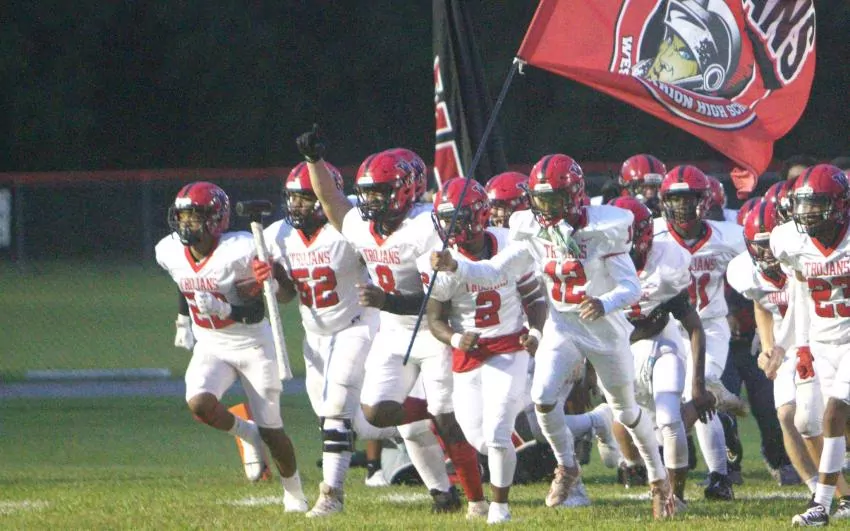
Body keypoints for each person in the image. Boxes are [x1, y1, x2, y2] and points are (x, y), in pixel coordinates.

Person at [431, 154, 676, 519]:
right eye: (540, 200)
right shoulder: (532, 228)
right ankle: (567, 466)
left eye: (554, 199)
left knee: (626, 411)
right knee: (543, 398)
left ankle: (659, 480)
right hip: (563, 325)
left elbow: (631, 287)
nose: (545, 208)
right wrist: (457, 266)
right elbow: (495, 271)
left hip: (604, 331)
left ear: (574, 196)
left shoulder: (602, 229)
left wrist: (604, 302)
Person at [295, 126, 486, 517]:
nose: (371, 200)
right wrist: (314, 161)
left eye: (381, 192)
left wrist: (389, 300)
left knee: (440, 421)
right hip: (394, 334)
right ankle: (443, 471)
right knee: (378, 413)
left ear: (406, 189)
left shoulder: (427, 227)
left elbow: (442, 299)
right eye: (367, 192)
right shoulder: (363, 227)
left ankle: (478, 503)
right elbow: (331, 200)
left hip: (435, 332)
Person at [252, 162, 400, 516]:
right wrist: (272, 279)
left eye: (305, 198)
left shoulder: (348, 226)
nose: (297, 206)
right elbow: (287, 294)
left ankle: (331, 494)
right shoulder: (277, 235)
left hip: (358, 324)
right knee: (344, 420)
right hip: (316, 335)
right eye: (293, 198)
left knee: (335, 410)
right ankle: (414, 427)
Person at [154, 181, 308, 512]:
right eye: (182, 216)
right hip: (211, 344)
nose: (186, 224)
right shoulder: (168, 250)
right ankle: (246, 433)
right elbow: (184, 280)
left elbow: (273, 302)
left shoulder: (241, 251)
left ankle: (295, 494)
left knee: (272, 428)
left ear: (216, 219)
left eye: (194, 216)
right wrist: (183, 320)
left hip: (252, 344)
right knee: (200, 403)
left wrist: (270, 280)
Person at [422, 178, 547, 523]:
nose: (451, 226)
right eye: (445, 219)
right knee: (478, 439)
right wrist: (454, 339)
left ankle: (500, 508)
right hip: (468, 353)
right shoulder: (437, 259)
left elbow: (534, 296)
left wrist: (535, 331)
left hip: (509, 345)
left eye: (459, 217)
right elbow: (434, 318)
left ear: (479, 215)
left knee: (496, 432)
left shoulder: (509, 242)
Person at [610, 196, 712, 510]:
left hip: (661, 342)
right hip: (619, 352)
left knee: (669, 420)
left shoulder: (666, 263)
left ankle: (674, 497)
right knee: (629, 421)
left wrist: (697, 385)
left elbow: (694, 326)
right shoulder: (595, 266)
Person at [655, 165, 747, 501]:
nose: (681, 206)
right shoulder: (654, 235)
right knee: (663, 403)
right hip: (667, 328)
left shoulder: (728, 236)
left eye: (688, 198)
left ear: (704, 200)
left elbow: (762, 260)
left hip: (710, 326)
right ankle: (724, 422)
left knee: (700, 390)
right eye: (674, 199)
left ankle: (719, 476)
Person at [771, 165, 850, 526]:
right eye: (803, 205)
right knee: (826, 422)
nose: (808, 213)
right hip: (822, 340)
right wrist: (798, 345)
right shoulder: (790, 240)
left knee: (833, 415)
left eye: (817, 205)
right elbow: (801, 293)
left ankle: (821, 505)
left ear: (840, 204)